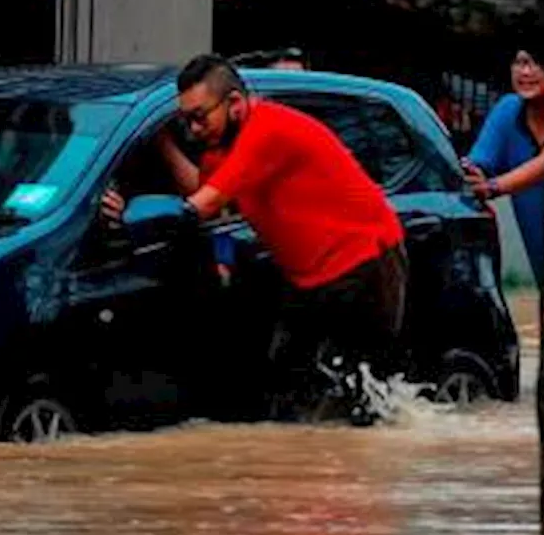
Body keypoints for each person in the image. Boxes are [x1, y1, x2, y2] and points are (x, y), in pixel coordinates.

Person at [102, 54, 409, 424]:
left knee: (362, 395)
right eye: (185, 120)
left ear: (234, 104)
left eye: (199, 117)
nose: (194, 129)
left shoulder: (266, 129)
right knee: (288, 387)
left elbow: (202, 205)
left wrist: (145, 219)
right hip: (308, 279)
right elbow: (203, 196)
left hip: (364, 265)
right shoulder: (220, 150)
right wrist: (164, 146)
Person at [461, 47, 544, 284]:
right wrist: (472, 173)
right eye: (520, 62)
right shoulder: (508, 109)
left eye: (537, 63)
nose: (526, 71)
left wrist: (494, 186)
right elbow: (481, 160)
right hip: (541, 257)